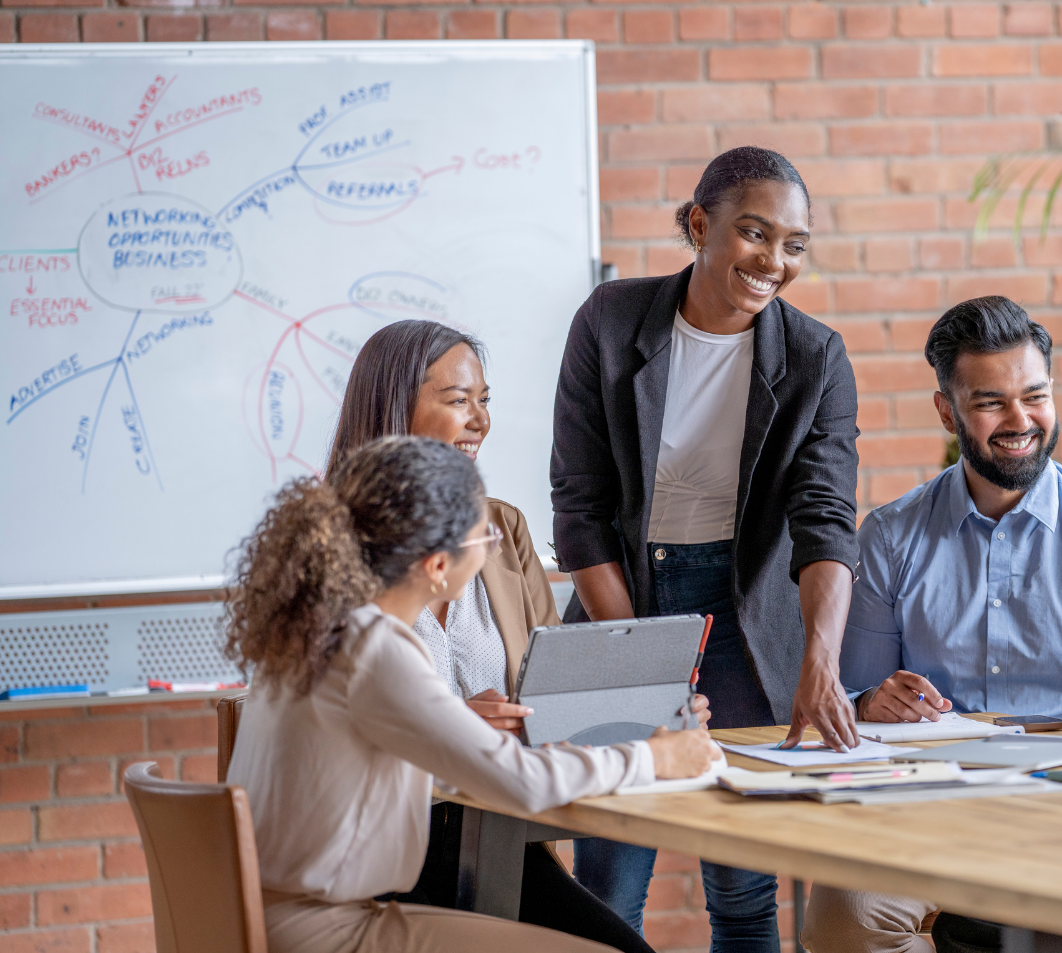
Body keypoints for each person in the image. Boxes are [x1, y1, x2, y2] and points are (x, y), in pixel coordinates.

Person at [224, 435, 719, 953]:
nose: (496, 544)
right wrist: (654, 756)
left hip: (281, 916)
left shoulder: (318, 630)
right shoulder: (374, 646)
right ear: (438, 566)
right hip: (329, 932)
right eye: (483, 534)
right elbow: (521, 784)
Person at [801, 296, 1062, 953]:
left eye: (1034, 397)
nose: (1020, 421)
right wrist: (873, 701)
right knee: (846, 913)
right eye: (991, 404)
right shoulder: (891, 538)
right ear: (946, 412)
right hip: (927, 810)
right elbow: (854, 704)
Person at [551, 146, 861, 950]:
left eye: (794, 245)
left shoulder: (816, 357)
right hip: (619, 596)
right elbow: (579, 506)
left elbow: (825, 517)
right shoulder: (612, 322)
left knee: (742, 886)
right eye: (754, 234)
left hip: (746, 610)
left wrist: (818, 661)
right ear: (699, 224)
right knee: (610, 879)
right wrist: (637, 654)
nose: (773, 262)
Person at [328, 321, 650, 953]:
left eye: (485, 401)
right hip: (390, 857)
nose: (480, 420)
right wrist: (453, 722)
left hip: (494, 835)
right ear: (396, 409)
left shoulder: (499, 525)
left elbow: (555, 687)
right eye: (458, 401)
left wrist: (642, 712)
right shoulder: (328, 548)